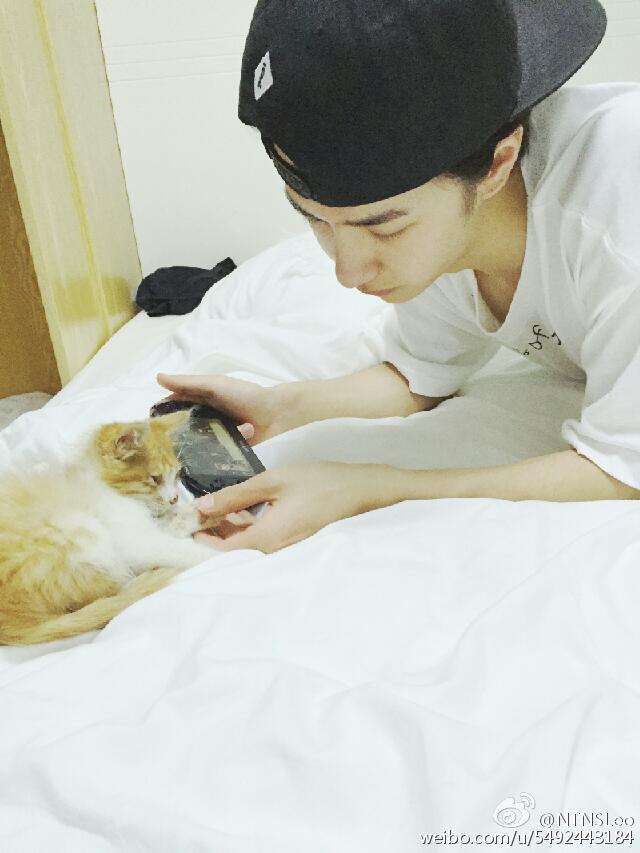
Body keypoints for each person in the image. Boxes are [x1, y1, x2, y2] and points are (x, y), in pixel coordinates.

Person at [158, 0, 640, 554]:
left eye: (384, 228)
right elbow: (419, 374)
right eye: (315, 220)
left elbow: (623, 471)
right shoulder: (443, 225)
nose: (348, 272)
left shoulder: (617, 219)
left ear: (497, 164)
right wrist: (284, 408)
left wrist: (373, 489)